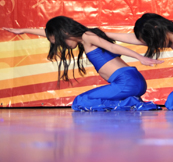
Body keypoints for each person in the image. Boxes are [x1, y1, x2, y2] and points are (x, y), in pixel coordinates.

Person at [4, 17, 162, 111]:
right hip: (133, 82)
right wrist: (23, 30)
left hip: (127, 83)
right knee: (86, 100)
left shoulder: (87, 36)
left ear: (65, 33)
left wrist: (140, 57)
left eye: (60, 42)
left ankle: (132, 103)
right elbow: (48, 34)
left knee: (81, 101)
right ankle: (132, 102)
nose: (63, 46)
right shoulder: (85, 37)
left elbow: (112, 47)